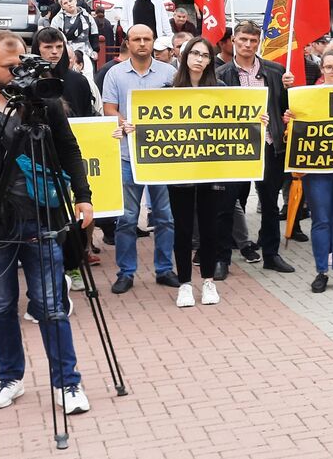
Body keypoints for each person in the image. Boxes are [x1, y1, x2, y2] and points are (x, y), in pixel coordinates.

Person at [0, 31, 93, 414]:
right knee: (1, 305)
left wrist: (84, 196)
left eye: (24, 64)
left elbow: (69, 149)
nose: (19, 74)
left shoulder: (45, 105)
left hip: (42, 217)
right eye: (10, 68)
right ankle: (9, 377)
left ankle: (67, 383)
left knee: (50, 305)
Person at [102, 23, 177, 293]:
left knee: (165, 217)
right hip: (127, 156)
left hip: (162, 158)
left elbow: (181, 108)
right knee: (126, 219)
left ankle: (165, 269)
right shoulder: (115, 74)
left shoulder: (170, 72)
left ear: (154, 41)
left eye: (147, 39)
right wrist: (123, 123)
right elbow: (109, 108)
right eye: (137, 39)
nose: (142, 43)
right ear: (128, 43)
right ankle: (126, 272)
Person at [216, 20, 295, 273]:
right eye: (243, 40)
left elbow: (284, 107)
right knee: (226, 205)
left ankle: (271, 255)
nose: (248, 45)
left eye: (252, 40)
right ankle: (222, 259)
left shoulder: (275, 71)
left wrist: (286, 117)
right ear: (233, 41)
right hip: (234, 150)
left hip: (268, 146)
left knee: (270, 204)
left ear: (258, 42)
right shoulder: (220, 75)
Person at [166, 38, 235, 307]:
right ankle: (184, 283)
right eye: (194, 53)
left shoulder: (222, 90)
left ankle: (208, 281)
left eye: (204, 55)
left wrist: (257, 120)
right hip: (179, 171)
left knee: (209, 228)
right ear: (185, 57)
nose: (198, 59)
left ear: (210, 60)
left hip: (211, 168)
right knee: (182, 230)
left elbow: (236, 121)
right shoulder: (169, 90)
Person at [287, 46, 333, 293]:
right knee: (320, 221)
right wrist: (291, 120)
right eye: (328, 67)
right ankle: (321, 271)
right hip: (317, 169)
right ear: (322, 69)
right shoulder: (308, 96)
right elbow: (296, 132)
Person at [33, 27, 96, 121]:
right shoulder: (30, 81)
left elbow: (88, 117)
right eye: (48, 47)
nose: (55, 52)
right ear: (38, 49)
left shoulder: (79, 81)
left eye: (59, 46)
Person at [52, 0, 98, 69]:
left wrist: (95, 50)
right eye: (65, 3)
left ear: (75, 1)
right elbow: (54, 37)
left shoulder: (87, 17)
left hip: (86, 53)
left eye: (70, 1)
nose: (69, 4)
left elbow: (94, 33)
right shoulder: (58, 19)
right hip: (67, 54)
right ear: (62, 6)